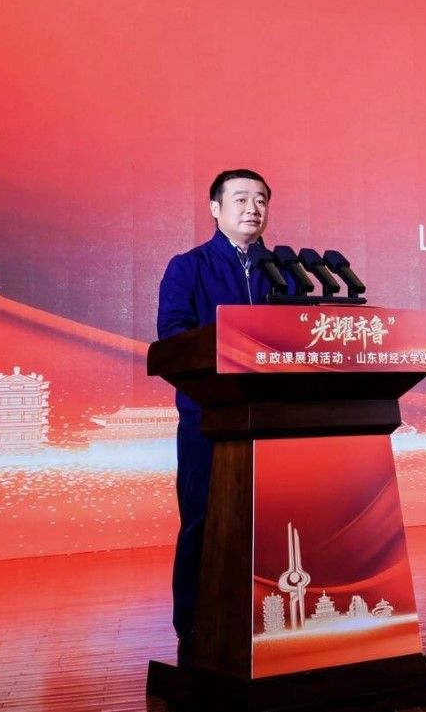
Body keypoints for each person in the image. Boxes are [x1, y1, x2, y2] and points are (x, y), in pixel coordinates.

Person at [156, 168, 278, 663]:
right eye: (241, 198)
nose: (253, 208)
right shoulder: (189, 267)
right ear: (215, 208)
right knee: (203, 522)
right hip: (209, 419)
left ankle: (269, 617)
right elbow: (174, 339)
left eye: (261, 199)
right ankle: (194, 626)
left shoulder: (283, 269)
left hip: (274, 419)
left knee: (273, 522)